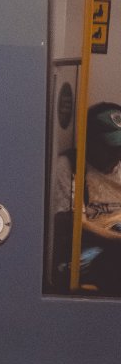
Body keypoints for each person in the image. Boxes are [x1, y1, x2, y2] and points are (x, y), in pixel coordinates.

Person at [52, 101, 121, 293]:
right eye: (109, 147)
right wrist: (116, 240)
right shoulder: (71, 166)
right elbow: (76, 224)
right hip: (92, 245)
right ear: (89, 141)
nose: (116, 155)